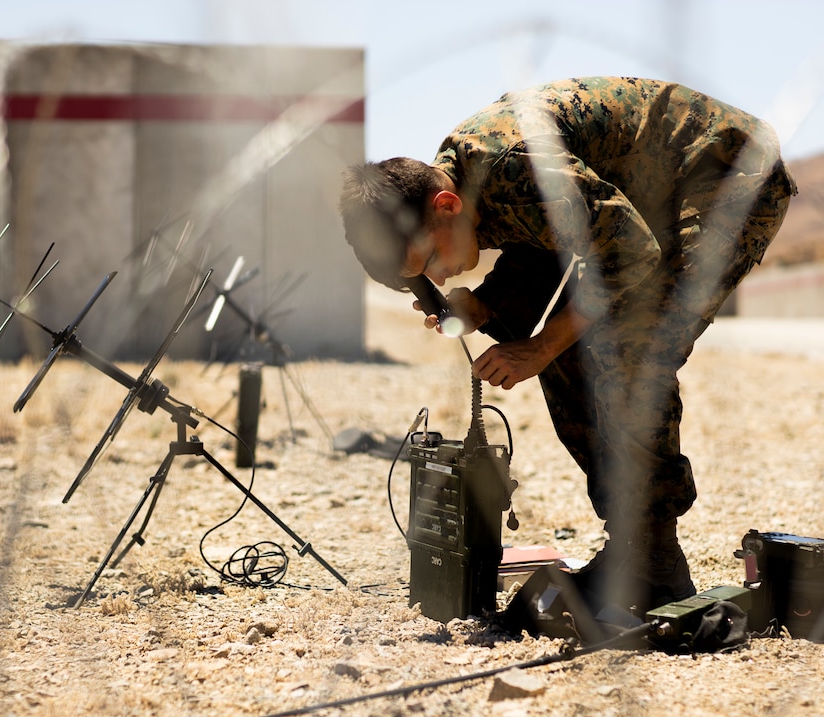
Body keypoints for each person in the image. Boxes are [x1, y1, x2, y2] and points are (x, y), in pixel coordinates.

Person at [338, 76, 796, 615]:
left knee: (629, 349)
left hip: (720, 176)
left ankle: (654, 562)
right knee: (554, 346)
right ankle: (633, 543)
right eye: (425, 278)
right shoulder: (460, 187)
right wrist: (485, 306)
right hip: (632, 204)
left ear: (443, 204)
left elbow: (628, 249)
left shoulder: (518, 166)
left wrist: (541, 346)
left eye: (431, 263)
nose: (441, 275)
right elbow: (550, 242)